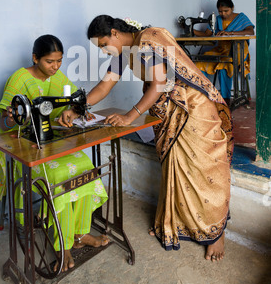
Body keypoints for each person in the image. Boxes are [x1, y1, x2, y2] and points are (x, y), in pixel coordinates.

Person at [61, 16, 233, 261]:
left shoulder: (148, 40)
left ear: (114, 33)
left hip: (192, 108)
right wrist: (77, 108)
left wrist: (130, 115)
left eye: (103, 45)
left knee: (204, 170)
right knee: (177, 168)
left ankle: (216, 234)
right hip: (170, 112)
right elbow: (104, 86)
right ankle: (175, 223)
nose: (103, 51)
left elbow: (160, 84)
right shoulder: (123, 53)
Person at [0, 34, 109, 272]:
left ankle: (79, 234)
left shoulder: (57, 76)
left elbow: (70, 101)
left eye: (59, 61)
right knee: (60, 180)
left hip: (52, 143)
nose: (55, 67)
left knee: (86, 170)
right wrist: (9, 118)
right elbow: (6, 125)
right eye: (49, 61)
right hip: (28, 149)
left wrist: (77, 111)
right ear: (35, 58)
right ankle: (63, 245)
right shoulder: (19, 79)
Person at [193, 0, 255, 103]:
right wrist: (190, 29)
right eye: (220, 11)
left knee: (225, 66)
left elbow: (250, 32)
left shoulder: (241, 17)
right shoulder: (217, 19)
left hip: (238, 51)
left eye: (226, 11)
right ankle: (202, 94)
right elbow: (206, 34)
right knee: (199, 63)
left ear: (232, 8)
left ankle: (225, 100)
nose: (223, 14)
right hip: (221, 50)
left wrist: (231, 33)